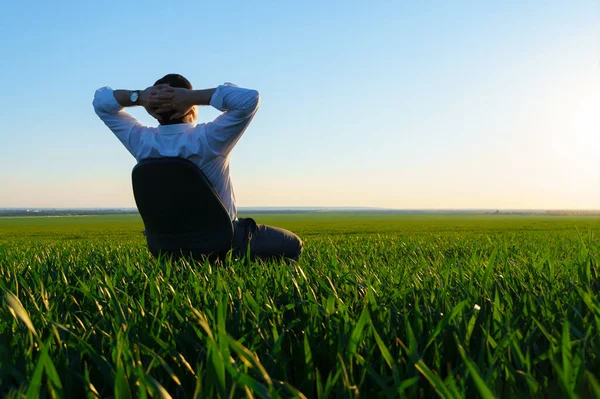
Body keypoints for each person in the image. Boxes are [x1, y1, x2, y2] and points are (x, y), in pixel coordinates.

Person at [92, 74, 303, 261]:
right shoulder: (209, 139)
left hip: (165, 247)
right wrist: (193, 97)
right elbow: (249, 99)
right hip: (222, 241)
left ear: (153, 112)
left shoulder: (141, 142)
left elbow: (101, 102)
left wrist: (139, 97)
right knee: (294, 244)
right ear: (190, 107)